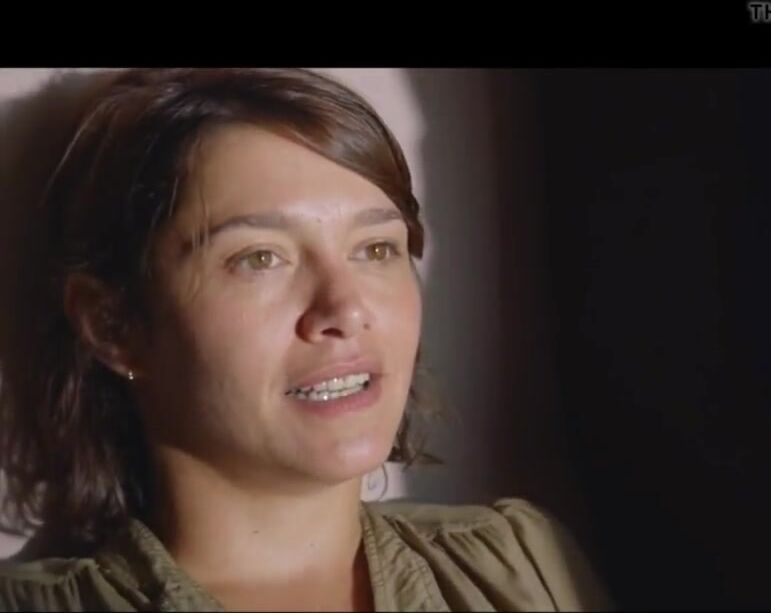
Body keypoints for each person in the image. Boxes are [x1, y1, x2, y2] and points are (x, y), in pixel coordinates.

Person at [0, 68, 611, 611]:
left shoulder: (520, 566)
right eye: (260, 258)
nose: (346, 309)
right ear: (113, 325)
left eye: (376, 249)